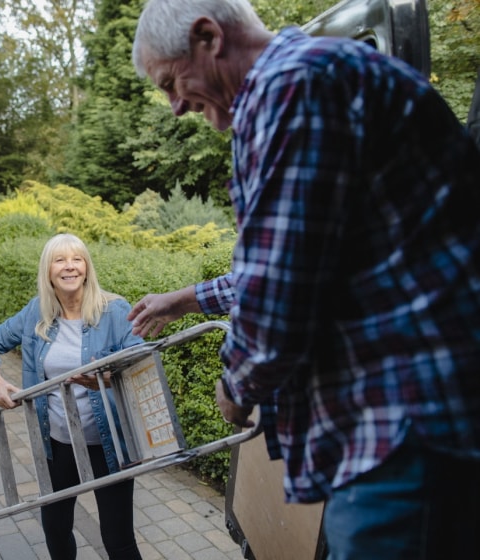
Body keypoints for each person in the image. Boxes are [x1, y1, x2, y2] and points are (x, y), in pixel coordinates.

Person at [130, 1, 480, 558]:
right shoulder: (314, 77)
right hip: (408, 430)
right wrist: (190, 298)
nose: (174, 107)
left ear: (207, 37)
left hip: (404, 430)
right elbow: (309, 259)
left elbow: (280, 291)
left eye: (171, 82)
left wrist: (235, 385)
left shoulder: (294, 87)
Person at [0, 233, 143, 560]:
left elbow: (139, 362)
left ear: (87, 267)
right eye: (60, 260)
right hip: (56, 443)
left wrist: (108, 379)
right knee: (55, 529)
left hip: (108, 445)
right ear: (48, 270)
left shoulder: (114, 310)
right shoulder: (36, 312)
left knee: (118, 539)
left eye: (77, 259)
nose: (69, 267)